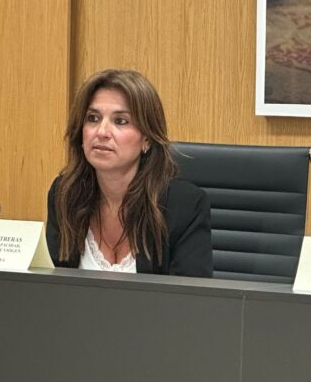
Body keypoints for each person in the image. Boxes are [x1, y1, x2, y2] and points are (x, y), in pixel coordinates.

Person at [46, 69, 212, 276]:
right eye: (93, 118)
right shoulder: (65, 193)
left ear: (147, 139)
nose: (102, 132)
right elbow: (51, 285)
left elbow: (190, 293)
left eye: (121, 121)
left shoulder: (184, 205)